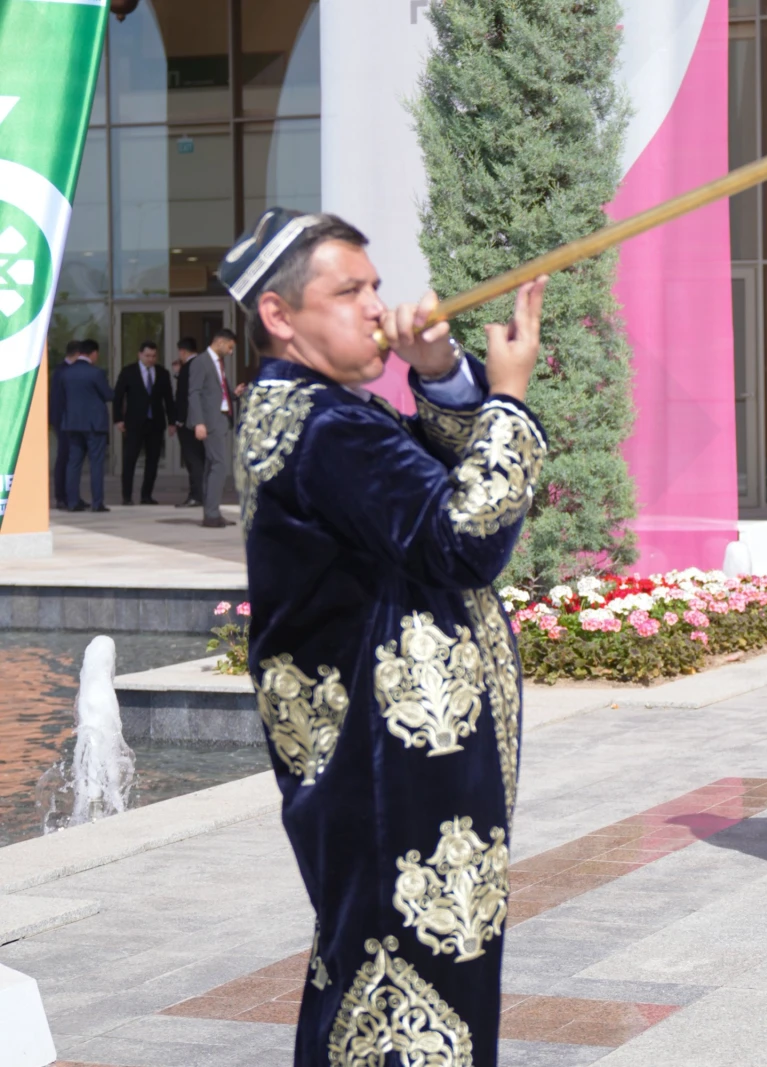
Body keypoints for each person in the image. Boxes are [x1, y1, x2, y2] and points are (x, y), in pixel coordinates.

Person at [222, 207, 548, 1066]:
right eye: (348, 291)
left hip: (393, 769)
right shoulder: (327, 427)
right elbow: (464, 535)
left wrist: (439, 372)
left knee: (387, 975)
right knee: (401, 996)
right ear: (280, 316)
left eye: (375, 286)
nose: (377, 308)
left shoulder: (320, 412)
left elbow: (417, 496)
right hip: (384, 772)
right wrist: (507, 400)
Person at [113, 339, 174, 505]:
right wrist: (118, 419)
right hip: (134, 423)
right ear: (140, 355)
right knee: (130, 459)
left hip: (155, 423)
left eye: (154, 356)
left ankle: (146, 495)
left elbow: (168, 399)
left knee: (152, 460)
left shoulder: (162, 373)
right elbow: (118, 397)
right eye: (147, 355)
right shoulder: (128, 372)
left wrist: (172, 422)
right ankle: (127, 496)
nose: (150, 359)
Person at [57, 338, 113, 513]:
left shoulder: (65, 373)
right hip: (94, 424)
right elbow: (108, 395)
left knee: (73, 463)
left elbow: (62, 398)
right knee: (96, 463)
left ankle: (72, 502)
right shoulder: (96, 373)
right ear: (93, 353)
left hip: (72, 424)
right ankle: (97, 503)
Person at [188, 328, 237, 527]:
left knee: (212, 466)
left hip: (222, 419)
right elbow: (194, 393)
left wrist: (234, 394)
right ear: (220, 342)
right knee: (219, 465)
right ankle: (212, 513)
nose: (231, 352)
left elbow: (216, 391)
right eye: (230, 347)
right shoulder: (201, 362)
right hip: (210, 421)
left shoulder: (219, 362)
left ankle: (211, 513)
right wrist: (199, 422)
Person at [171, 337, 206, 508]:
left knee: (193, 459)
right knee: (199, 458)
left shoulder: (189, 368)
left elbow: (185, 396)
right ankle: (201, 493)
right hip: (201, 420)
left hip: (189, 422)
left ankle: (197, 495)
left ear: (183, 351)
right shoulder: (202, 365)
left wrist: (179, 420)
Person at [49, 340, 81, 509]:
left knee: (73, 458)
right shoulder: (62, 372)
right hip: (63, 421)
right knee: (64, 457)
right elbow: (57, 399)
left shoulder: (64, 370)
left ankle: (73, 495)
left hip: (71, 420)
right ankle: (61, 496)